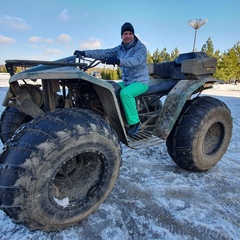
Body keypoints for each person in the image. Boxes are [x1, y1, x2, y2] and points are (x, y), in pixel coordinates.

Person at [73, 22, 149, 136]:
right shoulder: (120, 49)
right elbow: (103, 52)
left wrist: (118, 61)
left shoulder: (140, 48)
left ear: (133, 35)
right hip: (127, 82)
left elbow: (136, 60)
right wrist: (84, 53)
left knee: (125, 94)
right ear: (121, 36)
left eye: (130, 33)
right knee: (110, 88)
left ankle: (135, 123)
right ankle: (115, 117)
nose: (127, 36)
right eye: (125, 34)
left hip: (140, 82)